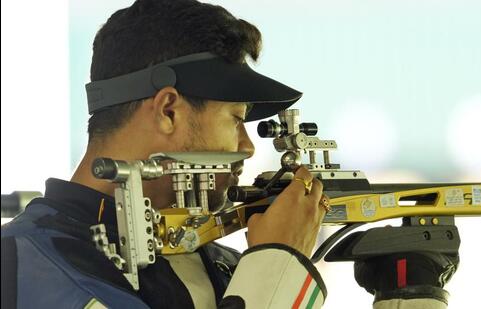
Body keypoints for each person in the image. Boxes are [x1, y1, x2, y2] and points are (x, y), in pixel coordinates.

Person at [1, 0, 457, 308]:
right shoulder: (22, 265)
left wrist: (410, 291)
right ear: (168, 110)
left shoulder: (218, 265)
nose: (246, 146)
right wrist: (278, 259)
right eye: (235, 118)